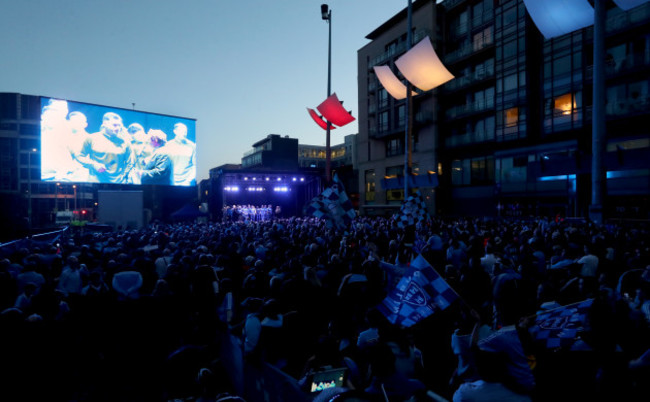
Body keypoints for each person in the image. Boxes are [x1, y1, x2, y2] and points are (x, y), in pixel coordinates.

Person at [75, 112, 135, 183]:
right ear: (105, 124)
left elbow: (130, 163)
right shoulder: (92, 138)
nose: (118, 128)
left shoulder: (125, 142)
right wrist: (93, 164)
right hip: (95, 182)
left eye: (119, 125)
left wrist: (123, 176)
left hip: (119, 183)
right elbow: (79, 155)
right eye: (114, 125)